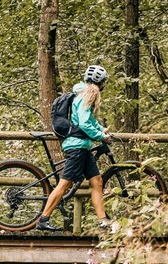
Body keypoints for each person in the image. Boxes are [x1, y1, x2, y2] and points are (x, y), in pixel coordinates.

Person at [36, 65, 113, 231]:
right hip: (77, 147)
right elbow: (84, 123)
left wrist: (101, 130)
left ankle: (103, 221)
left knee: (97, 182)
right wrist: (101, 137)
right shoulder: (88, 95)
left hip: (83, 147)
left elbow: (88, 120)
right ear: (101, 82)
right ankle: (43, 219)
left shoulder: (84, 94)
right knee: (65, 184)